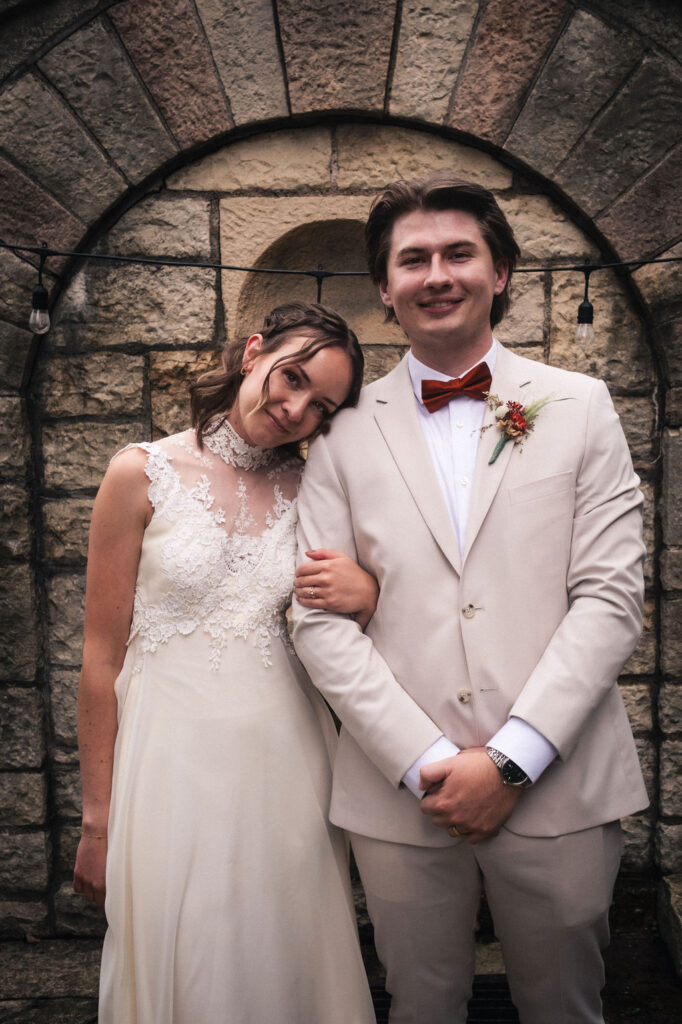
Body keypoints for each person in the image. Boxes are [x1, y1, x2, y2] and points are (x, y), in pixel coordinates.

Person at [292, 178, 648, 1024]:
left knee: (567, 1005)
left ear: (501, 273)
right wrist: (426, 764)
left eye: (459, 253)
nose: (436, 274)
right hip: (399, 791)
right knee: (420, 1004)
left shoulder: (581, 407)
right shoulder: (338, 430)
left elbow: (609, 599)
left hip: (560, 785)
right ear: (385, 286)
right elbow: (317, 618)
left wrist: (514, 758)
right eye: (412, 259)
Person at [73, 302, 377, 1024]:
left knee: (283, 951)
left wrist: (365, 593)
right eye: (292, 376)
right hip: (167, 765)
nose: (296, 406)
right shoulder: (139, 473)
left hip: (286, 764)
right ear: (253, 352)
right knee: (187, 950)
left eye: (321, 404)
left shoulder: (316, 493)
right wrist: (96, 820)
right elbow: (98, 658)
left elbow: (355, 621)